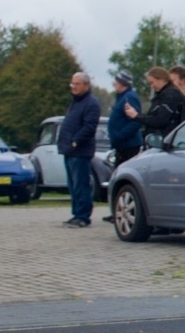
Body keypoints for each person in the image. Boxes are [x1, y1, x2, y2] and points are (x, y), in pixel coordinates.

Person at [57, 71, 101, 227]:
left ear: (86, 85)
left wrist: (75, 141)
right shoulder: (76, 102)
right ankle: (76, 213)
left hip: (80, 151)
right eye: (72, 83)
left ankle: (83, 216)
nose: (73, 87)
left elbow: (90, 126)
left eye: (77, 84)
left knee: (81, 184)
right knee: (72, 185)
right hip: (69, 150)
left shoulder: (91, 103)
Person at [123, 66, 185, 139]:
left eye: (152, 82)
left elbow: (160, 120)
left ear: (162, 79)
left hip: (165, 142)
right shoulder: (164, 95)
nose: (152, 86)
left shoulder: (170, 96)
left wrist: (136, 115)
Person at [106, 71, 144, 167]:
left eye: (116, 82)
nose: (114, 84)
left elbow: (136, 121)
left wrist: (120, 136)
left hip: (129, 147)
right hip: (122, 147)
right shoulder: (121, 98)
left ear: (123, 83)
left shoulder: (129, 98)